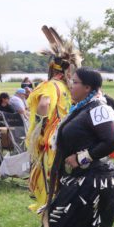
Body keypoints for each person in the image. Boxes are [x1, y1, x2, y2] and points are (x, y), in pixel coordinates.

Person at [30, 68, 114, 227]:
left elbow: (112, 140)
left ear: (88, 87)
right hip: (81, 179)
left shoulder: (98, 108)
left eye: (76, 82)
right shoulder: (81, 108)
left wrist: (82, 158)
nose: (71, 85)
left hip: (94, 180)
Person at [27, 25, 82, 212]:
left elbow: (44, 104)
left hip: (51, 138)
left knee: (49, 177)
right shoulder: (68, 87)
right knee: (60, 177)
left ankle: (50, 213)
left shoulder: (52, 85)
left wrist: (39, 128)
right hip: (67, 134)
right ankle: (60, 213)